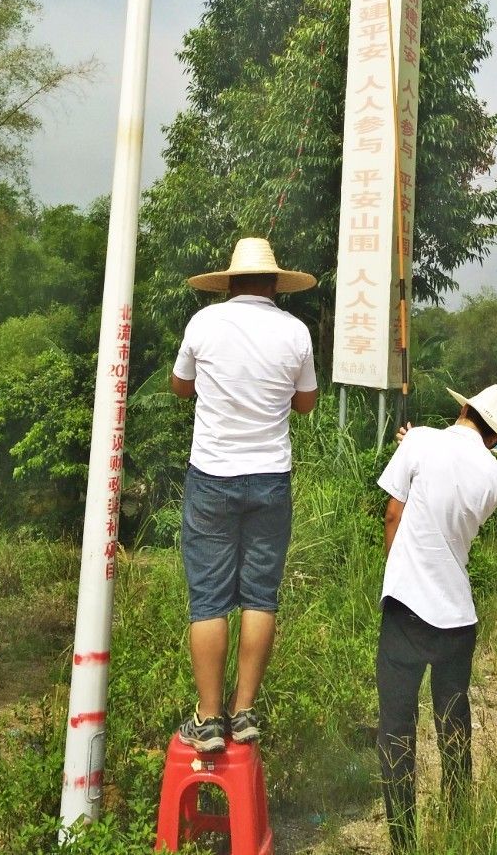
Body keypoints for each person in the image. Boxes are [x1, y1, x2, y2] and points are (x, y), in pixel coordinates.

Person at [169, 236, 319, 752]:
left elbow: (180, 386)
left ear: (229, 282)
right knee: (260, 594)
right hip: (270, 477)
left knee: (208, 597)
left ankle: (208, 719)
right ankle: (245, 710)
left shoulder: (204, 324)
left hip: (211, 475)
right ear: (276, 284)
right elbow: (305, 404)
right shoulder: (296, 332)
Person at [375, 383, 497, 849]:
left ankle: (404, 839)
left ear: (463, 407)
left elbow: (393, 515)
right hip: (457, 617)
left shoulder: (420, 441)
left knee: (397, 727)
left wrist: (395, 574)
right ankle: (458, 823)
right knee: (454, 724)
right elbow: (452, 491)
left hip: (406, 609)